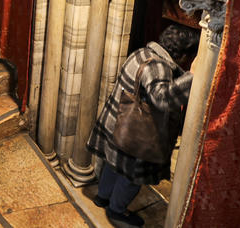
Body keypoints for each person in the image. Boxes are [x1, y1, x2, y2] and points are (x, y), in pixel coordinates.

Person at [86, 24, 200, 227]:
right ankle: (116, 211)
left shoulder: (142, 53)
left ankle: (102, 196)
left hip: (118, 122)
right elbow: (163, 98)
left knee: (113, 165)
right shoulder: (157, 66)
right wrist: (192, 77)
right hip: (136, 133)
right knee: (131, 176)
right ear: (182, 53)